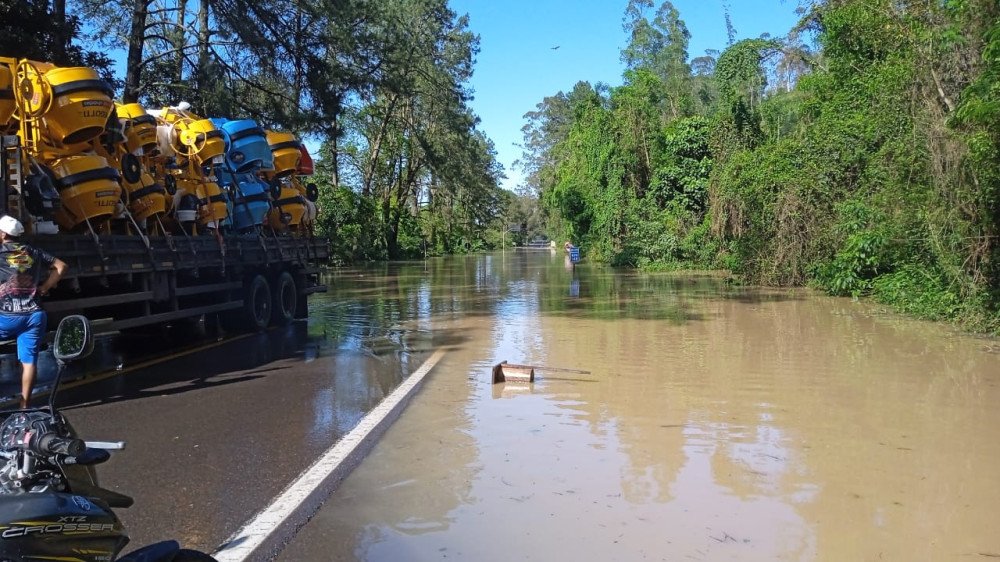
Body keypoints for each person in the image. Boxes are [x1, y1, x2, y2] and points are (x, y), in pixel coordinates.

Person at [0, 215, 68, 408]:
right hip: (33, 315)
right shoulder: (33, 252)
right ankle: (24, 406)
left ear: (3, 234)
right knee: (29, 362)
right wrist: (45, 288)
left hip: (4, 316)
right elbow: (61, 267)